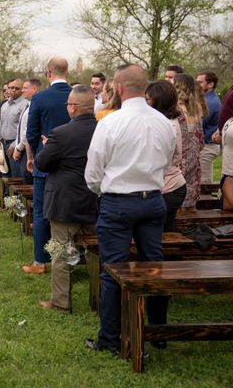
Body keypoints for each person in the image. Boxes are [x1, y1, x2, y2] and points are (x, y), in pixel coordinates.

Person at [84, 63, 175, 355]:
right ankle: (157, 330)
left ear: (119, 88)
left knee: (113, 270)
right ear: (144, 87)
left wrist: (105, 192)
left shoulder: (110, 122)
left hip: (118, 201)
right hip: (152, 200)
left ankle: (110, 338)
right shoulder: (163, 121)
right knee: (154, 267)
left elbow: (93, 172)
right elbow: (168, 159)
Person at [35, 85, 98, 311]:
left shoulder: (60, 133)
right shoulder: (104, 130)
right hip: (96, 200)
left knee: (61, 253)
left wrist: (45, 147)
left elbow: (42, 163)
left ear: (73, 108)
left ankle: (61, 302)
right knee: (96, 253)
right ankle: (100, 300)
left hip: (65, 201)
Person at [22, 57, 72, 275]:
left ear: (48, 73)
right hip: (73, 166)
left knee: (42, 212)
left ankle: (40, 261)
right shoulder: (77, 95)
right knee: (69, 212)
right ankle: (70, 259)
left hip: (46, 164)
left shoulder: (40, 98)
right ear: (67, 73)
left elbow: (31, 133)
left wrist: (33, 157)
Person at [145, 81, 187, 232]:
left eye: (148, 99)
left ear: (159, 101)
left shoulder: (167, 125)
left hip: (169, 186)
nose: (145, 103)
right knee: (165, 230)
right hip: (168, 184)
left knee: (160, 232)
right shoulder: (166, 121)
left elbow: (168, 158)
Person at [174, 73, 206, 210]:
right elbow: (200, 140)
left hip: (179, 160)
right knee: (188, 202)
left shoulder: (175, 111)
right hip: (194, 158)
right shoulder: (196, 110)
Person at [0, 79, 28, 183]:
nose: (13, 90)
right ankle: (7, 198)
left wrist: (14, 145)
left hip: (16, 146)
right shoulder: (5, 105)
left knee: (16, 177)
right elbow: (0, 125)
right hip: (3, 145)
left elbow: (23, 129)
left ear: (22, 90)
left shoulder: (25, 105)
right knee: (5, 174)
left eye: (17, 88)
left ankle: (16, 199)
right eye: (11, 88)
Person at [12, 78, 41, 184]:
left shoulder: (34, 106)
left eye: (25, 88)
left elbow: (27, 131)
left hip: (28, 149)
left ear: (34, 89)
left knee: (27, 176)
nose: (22, 90)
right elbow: (20, 128)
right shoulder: (28, 105)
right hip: (23, 147)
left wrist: (19, 148)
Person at [196, 71, 221, 183]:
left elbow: (199, 124)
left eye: (200, 82)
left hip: (207, 147)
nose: (197, 85)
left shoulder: (210, 102)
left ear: (210, 84)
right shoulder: (206, 99)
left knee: (204, 183)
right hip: (206, 145)